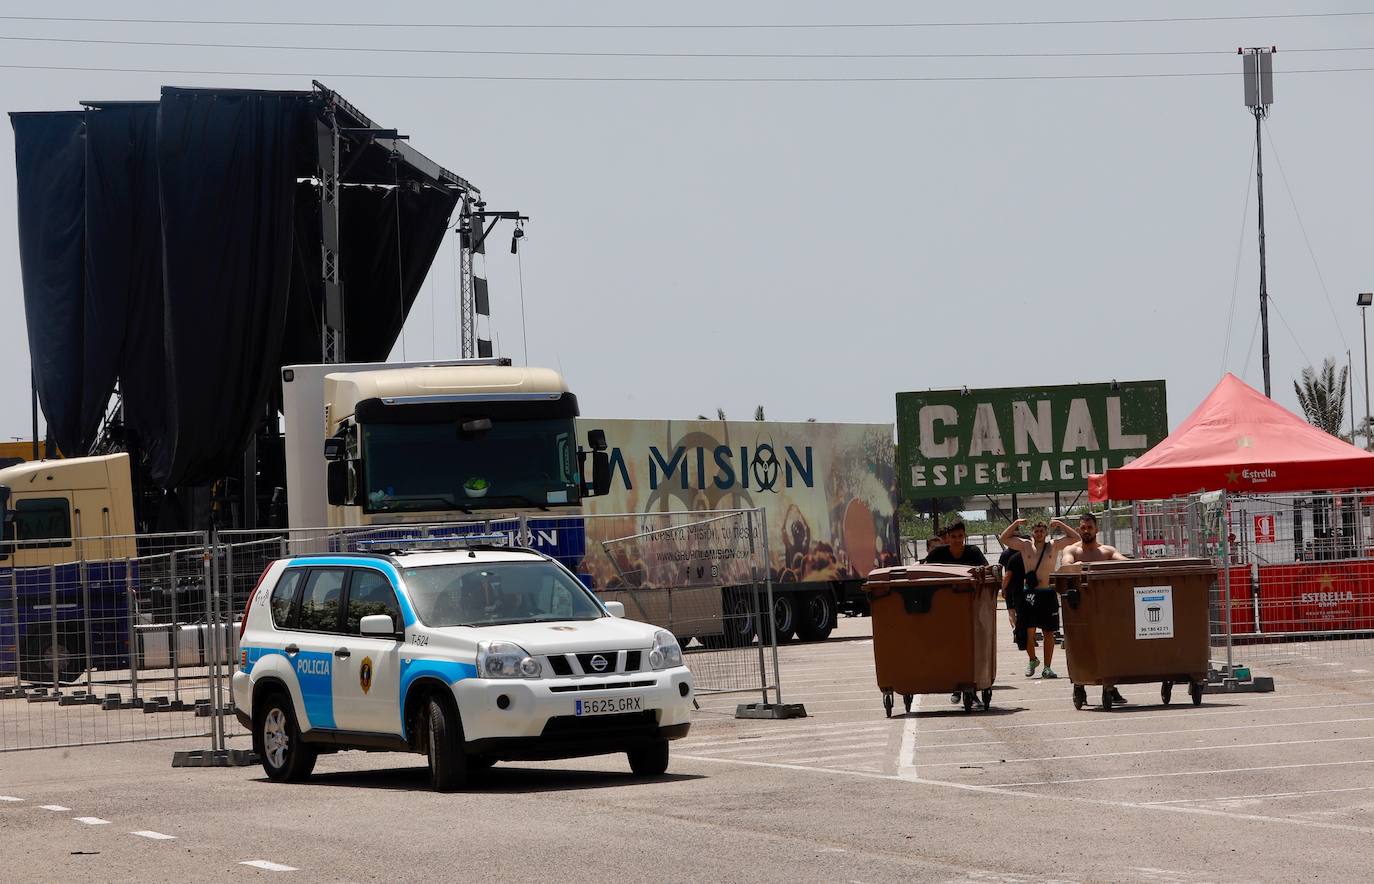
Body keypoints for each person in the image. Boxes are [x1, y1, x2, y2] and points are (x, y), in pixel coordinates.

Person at [1061, 512, 1130, 705]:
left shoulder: (1106, 551)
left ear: (1096, 529)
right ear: (1078, 529)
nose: (1086, 531)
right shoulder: (1072, 550)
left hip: (1105, 610)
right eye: (1083, 527)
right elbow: (1065, 564)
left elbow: (1123, 561)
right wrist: (1075, 566)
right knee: (1082, 646)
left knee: (1110, 647)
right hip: (1080, 609)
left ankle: (1111, 686)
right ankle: (1079, 685)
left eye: (1089, 527)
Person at [999, 518, 1079, 679]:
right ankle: (1032, 659)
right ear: (1032, 532)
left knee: (1049, 632)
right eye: (1036, 531)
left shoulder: (1053, 545)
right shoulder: (1025, 546)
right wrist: (1016, 523)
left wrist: (1060, 524)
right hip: (1030, 594)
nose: (1039, 533)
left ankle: (1047, 668)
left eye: (1042, 531)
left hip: (1047, 593)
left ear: (1046, 532)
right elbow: (1004, 538)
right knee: (1028, 631)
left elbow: (1076, 538)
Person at [922, 522, 989, 703]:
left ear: (964, 536)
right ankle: (955, 687)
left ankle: (970, 688)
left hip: (970, 610)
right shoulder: (938, 554)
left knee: (970, 650)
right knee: (951, 650)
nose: (957, 540)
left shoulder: (973, 552)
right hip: (945, 611)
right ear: (947, 538)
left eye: (960, 536)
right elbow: (924, 573)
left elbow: (986, 571)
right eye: (953, 537)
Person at [998, 541, 1025, 648]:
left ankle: (1015, 629)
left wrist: (1002, 587)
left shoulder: (1005, 554)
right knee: (1021, 611)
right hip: (1022, 585)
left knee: (1011, 611)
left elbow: (1004, 572)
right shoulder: (1023, 552)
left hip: (1010, 585)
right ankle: (1023, 631)